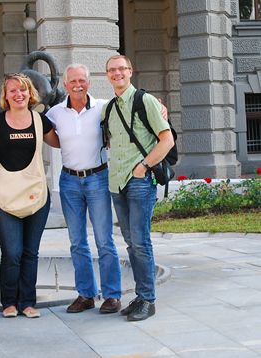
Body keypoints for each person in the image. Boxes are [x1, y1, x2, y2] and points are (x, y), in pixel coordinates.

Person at [45, 64, 122, 314]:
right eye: (73, 81)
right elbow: (45, 134)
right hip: (69, 181)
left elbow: (130, 106)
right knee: (77, 242)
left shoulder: (103, 107)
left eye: (82, 80)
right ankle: (86, 294)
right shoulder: (55, 113)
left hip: (98, 178)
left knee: (104, 240)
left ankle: (111, 295)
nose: (78, 85)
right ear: (65, 85)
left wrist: (161, 107)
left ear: (89, 82)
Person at [103, 55, 174, 321]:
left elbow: (166, 140)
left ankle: (149, 300)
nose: (117, 73)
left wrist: (143, 166)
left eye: (122, 68)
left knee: (141, 242)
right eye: (112, 70)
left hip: (140, 181)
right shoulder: (109, 107)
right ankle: (141, 295)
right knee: (131, 243)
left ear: (131, 71)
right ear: (107, 75)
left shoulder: (145, 101)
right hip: (116, 182)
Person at [0, 73, 59, 319]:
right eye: (12, 91)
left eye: (23, 90)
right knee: (12, 253)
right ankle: (8, 302)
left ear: (30, 93)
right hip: (6, 196)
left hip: (36, 195)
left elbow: (62, 141)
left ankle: (27, 303)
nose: (18, 94)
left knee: (30, 252)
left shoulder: (40, 121)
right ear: (5, 95)